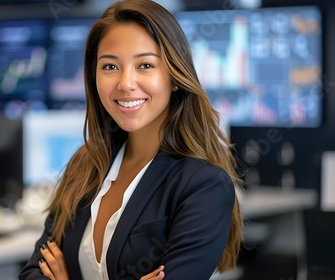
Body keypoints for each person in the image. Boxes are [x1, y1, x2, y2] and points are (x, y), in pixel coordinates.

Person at [19, 0, 244, 279]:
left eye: (145, 65)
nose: (125, 83)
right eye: (110, 67)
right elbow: (34, 272)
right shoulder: (86, 166)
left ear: (174, 76)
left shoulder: (203, 185)